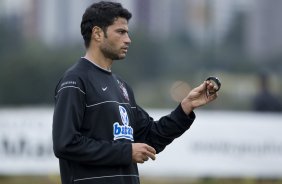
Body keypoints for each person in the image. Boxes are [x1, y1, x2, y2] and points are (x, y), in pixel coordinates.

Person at [52, 1, 218, 184]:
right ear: (98, 33)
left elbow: (150, 137)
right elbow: (65, 144)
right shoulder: (75, 81)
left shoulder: (122, 87)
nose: (128, 39)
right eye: (121, 32)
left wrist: (186, 108)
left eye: (127, 33)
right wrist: (126, 152)